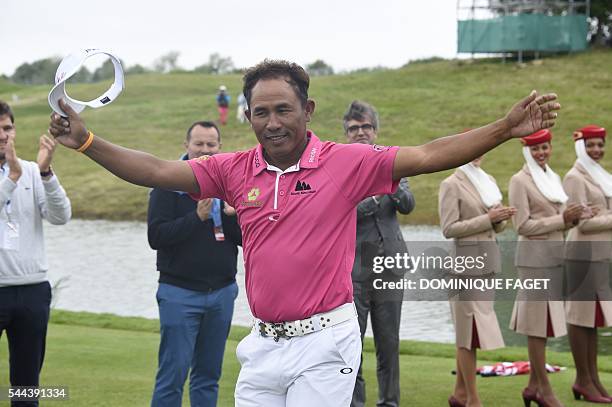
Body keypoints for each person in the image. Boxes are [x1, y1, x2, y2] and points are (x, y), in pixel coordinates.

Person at [49, 60, 560, 406]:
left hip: (325, 345)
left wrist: (503, 127)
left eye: (283, 110)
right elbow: (158, 171)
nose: (272, 122)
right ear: (248, 115)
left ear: (307, 112)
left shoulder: (346, 162)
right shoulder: (233, 168)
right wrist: (87, 140)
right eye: (261, 112)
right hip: (262, 346)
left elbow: (427, 155)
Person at [148, 121, 242, 407]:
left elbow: (243, 239)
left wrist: (234, 215)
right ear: (186, 145)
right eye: (198, 144)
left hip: (222, 293)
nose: (204, 150)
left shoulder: (230, 185)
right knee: (172, 376)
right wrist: (196, 218)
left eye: (211, 145)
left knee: (208, 376)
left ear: (219, 147)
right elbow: (157, 236)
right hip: (180, 293)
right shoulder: (167, 185)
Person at [343, 100, 415, 407]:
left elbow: (408, 204)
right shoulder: (339, 168)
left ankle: (390, 402)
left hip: (390, 268)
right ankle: (354, 403)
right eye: (354, 128)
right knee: (352, 347)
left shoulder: (393, 161)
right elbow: (344, 212)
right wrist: (373, 198)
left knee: (389, 344)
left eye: (366, 127)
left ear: (376, 130)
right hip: (354, 272)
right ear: (346, 133)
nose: (361, 132)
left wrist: (392, 183)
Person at [508, 129, 588, 407]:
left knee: (543, 325)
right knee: (536, 326)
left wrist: (575, 218)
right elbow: (522, 226)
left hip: (554, 259)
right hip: (533, 262)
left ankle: (532, 387)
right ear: (526, 150)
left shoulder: (552, 177)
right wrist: (561, 220)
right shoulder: (520, 180)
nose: (541, 153)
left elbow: (561, 219)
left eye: (545, 148)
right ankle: (543, 388)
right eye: (536, 149)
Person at [0, 100, 71, 407]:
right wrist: (11, 179)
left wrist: (45, 173)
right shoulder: (18, 173)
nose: (3, 135)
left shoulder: (30, 170)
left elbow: (60, 216)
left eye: (7, 128)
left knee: (26, 386)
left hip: (32, 291)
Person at [439, 154, 514, 407]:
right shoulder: (451, 183)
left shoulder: (488, 180)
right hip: (464, 268)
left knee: (474, 332)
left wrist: (500, 219)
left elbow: (496, 228)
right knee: (467, 334)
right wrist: (488, 219)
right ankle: (473, 400)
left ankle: (459, 394)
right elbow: (449, 228)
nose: (477, 154)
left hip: (488, 264)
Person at [563, 125, 612, 403]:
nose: (597, 150)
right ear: (581, 147)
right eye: (591, 145)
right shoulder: (575, 177)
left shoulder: (600, 175)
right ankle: (582, 380)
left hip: (599, 255)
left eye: (600, 144)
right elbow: (583, 222)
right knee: (580, 319)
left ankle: (593, 379)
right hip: (582, 255)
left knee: (592, 320)